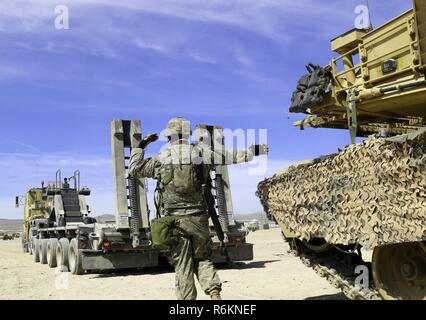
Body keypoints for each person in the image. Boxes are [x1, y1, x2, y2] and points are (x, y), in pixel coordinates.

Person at [128, 117, 268, 300]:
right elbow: (229, 156)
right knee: (202, 258)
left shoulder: (161, 158)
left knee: (183, 264)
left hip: (174, 222)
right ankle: (214, 294)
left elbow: (134, 169)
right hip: (199, 220)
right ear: (187, 134)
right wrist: (252, 152)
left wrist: (142, 144)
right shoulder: (201, 153)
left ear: (169, 136)